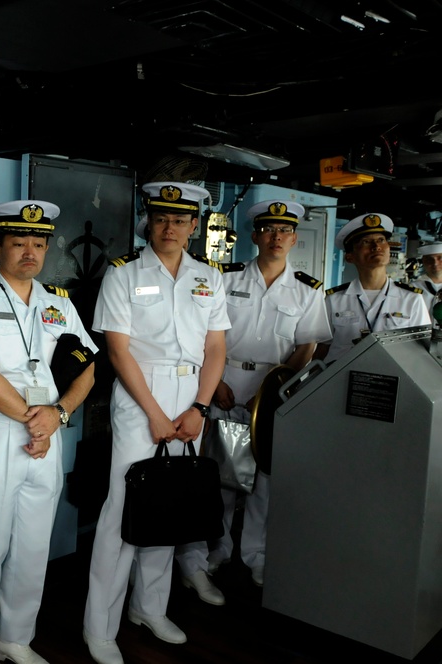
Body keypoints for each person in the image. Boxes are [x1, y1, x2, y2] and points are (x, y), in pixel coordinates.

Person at [82, 182, 230, 664]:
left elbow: (215, 349)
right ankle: (99, 626)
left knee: (170, 503)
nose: (169, 227)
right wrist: (154, 413)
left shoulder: (208, 276)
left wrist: (200, 408)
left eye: (180, 219)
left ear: (193, 225)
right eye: (161, 218)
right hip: (140, 396)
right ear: (150, 220)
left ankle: (149, 607)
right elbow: (117, 349)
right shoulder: (124, 273)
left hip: (192, 400)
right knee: (123, 508)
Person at [0, 201, 97, 664]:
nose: (29, 251)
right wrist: (38, 419)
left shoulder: (59, 301)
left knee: (34, 545)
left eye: (38, 243)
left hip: (47, 435)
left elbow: (88, 369)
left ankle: (16, 637)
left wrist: (58, 414)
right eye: (18, 243)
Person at [201, 200, 331, 588]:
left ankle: (255, 555)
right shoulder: (226, 278)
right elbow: (208, 335)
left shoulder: (308, 290)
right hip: (224, 385)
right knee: (221, 476)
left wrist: (274, 390)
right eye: (269, 230)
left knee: (263, 482)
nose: (276, 238)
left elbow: (308, 345)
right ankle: (218, 550)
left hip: (271, 392)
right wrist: (215, 383)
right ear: (255, 236)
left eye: (284, 231)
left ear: (294, 239)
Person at [315, 213, 430, 364]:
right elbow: (322, 348)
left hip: (391, 378)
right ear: (350, 257)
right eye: (366, 242)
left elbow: (422, 350)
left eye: (381, 240)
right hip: (341, 380)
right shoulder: (334, 299)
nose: (376, 247)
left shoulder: (411, 299)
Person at [413, 240, 442, 324]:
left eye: (440, 258)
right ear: (423, 262)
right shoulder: (412, 289)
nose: (435, 263)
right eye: (430, 259)